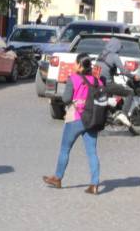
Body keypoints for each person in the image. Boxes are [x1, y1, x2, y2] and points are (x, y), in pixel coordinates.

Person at [43, 53, 102, 195]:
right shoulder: (97, 81)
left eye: (76, 63)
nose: (74, 65)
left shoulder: (74, 79)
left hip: (76, 118)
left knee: (65, 149)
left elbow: (66, 98)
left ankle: (57, 178)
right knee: (92, 152)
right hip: (92, 120)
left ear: (80, 65)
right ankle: (94, 184)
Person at [96, 37, 138, 126]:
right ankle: (123, 115)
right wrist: (133, 76)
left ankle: (108, 114)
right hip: (107, 84)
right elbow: (124, 71)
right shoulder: (114, 56)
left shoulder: (102, 54)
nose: (119, 50)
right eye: (119, 48)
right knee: (130, 92)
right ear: (116, 46)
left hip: (98, 83)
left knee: (111, 93)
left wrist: (114, 73)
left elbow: (104, 68)